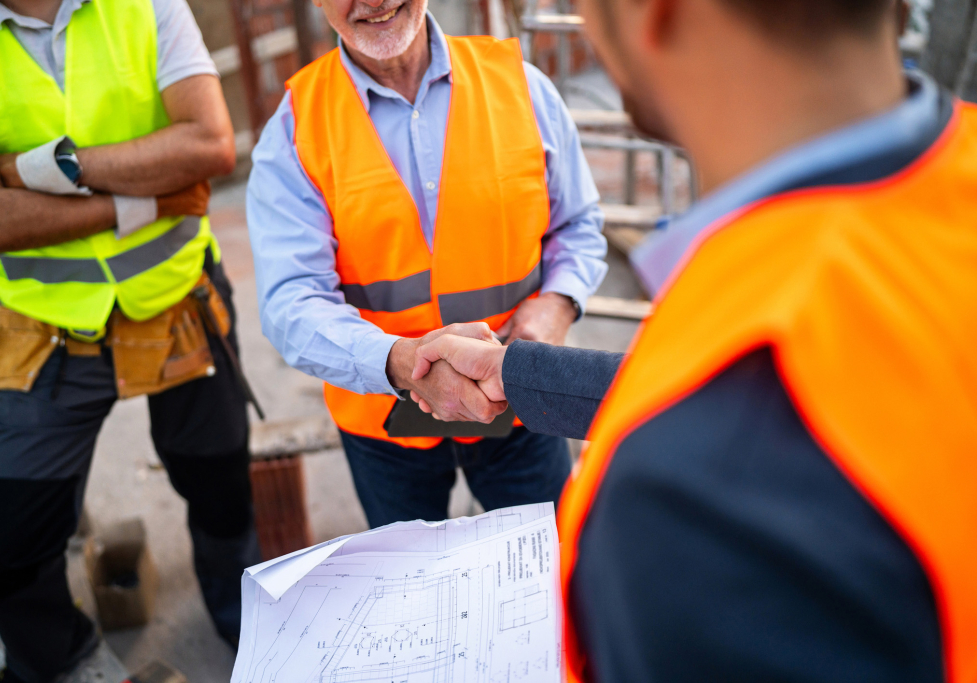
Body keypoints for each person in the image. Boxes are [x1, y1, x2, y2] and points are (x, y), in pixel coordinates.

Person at [409, 0, 977, 680]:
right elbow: (853, 393)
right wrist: (516, 373)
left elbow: (756, 414)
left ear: (657, 12)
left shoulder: (684, 505)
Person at [0, 0, 260, 679]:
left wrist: (37, 168)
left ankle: (246, 625)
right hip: (49, 329)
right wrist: (144, 199)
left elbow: (210, 146)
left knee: (220, 486)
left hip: (177, 303)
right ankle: (60, 653)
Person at [246, 0, 607, 528]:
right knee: (415, 597)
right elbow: (290, 303)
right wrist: (404, 363)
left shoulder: (523, 89)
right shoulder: (295, 131)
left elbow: (577, 223)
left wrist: (557, 304)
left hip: (522, 404)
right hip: (386, 423)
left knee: (554, 572)